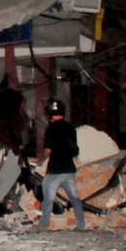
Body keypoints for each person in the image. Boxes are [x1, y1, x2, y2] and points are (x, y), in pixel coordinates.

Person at [37, 98, 85, 231]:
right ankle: (81, 225)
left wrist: (39, 161)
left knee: (48, 199)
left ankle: (44, 225)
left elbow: (48, 150)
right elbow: (74, 150)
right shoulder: (70, 128)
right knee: (75, 199)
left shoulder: (51, 128)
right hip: (69, 170)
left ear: (49, 114)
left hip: (55, 170)